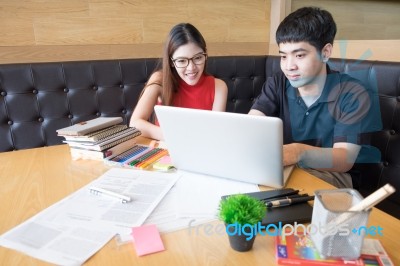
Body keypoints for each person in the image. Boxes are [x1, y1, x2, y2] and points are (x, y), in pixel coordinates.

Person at [249, 7, 380, 188]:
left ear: (325, 52)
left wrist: (298, 152)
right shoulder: (278, 82)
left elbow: (344, 159)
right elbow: (252, 124)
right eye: (283, 56)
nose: (289, 66)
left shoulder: (354, 93)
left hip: (336, 177)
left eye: (299, 55)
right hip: (287, 168)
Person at [130, 23, 228, 140]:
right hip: (166, 151)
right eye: (182, 61)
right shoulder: (160, 80)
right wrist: (176, 137)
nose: (191, 68)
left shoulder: (219, 87)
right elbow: (135, 123)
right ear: (171, 61)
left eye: (197, 58)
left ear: (205, 55)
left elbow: (215, 131)